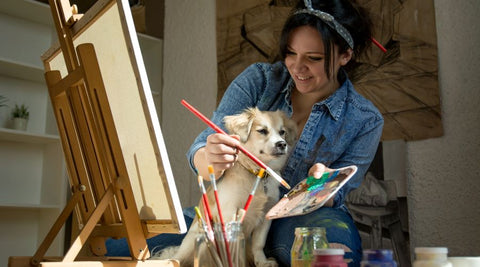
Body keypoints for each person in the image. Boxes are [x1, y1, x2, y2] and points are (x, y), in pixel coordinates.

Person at [106, 0, 383, 266]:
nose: (297, 67)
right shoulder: (260, 80)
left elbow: (341, 193)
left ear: (345, 55)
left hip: (303, 220)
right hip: (231, 214)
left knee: (330, 254)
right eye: (290, 53)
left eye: (313, 58)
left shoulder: (365, 120)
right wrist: (209, 157)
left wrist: (321, 186)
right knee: (114, 244)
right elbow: (200, 150)